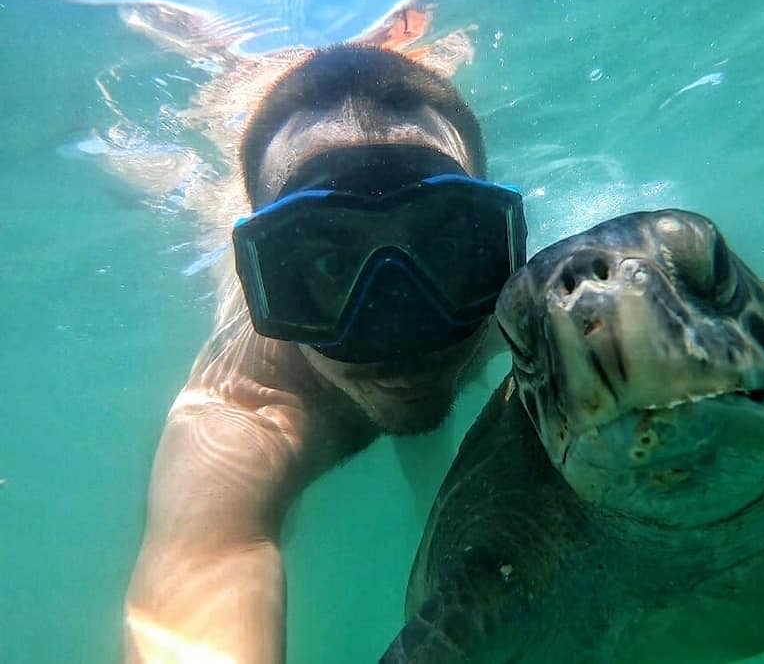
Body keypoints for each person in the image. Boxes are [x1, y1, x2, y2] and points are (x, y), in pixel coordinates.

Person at [124, 44, 526, 663]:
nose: (398, 329)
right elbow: (205, 562)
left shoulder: (522, 303)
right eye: (325, 263)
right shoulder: (244, 409)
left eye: (444, 246)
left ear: (497, 245)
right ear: (263, 283)